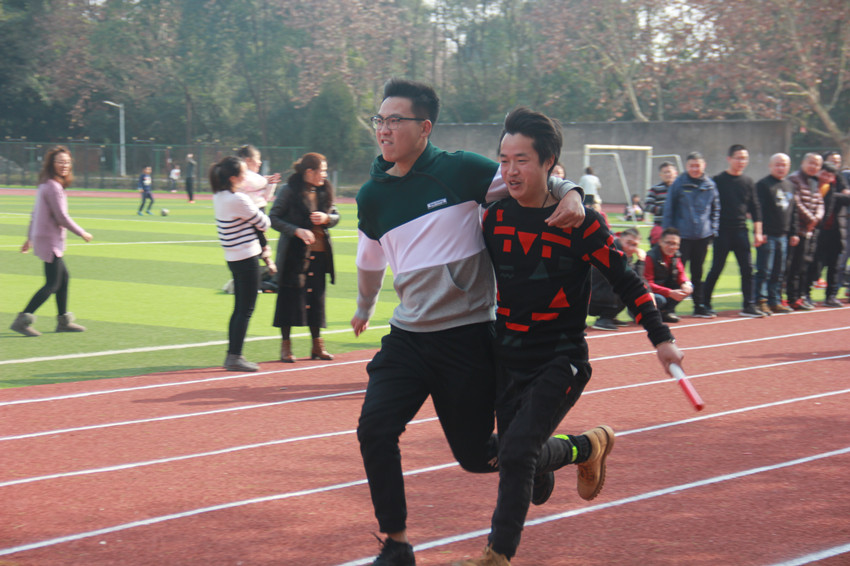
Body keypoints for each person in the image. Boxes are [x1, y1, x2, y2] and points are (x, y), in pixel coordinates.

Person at [351, 78, 585, 566]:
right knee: (374, 429)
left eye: (395, 120)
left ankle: (557, 453)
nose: (384, 129)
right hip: (408, 338)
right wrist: (365, 305)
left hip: (467, 339)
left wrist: (572, 192)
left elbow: (527, 178)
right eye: (380, 120)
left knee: (478, 458)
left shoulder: (461, 170)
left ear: (424, 127)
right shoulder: (372, 195)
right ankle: (396, 544)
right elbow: (370, 259)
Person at [452, 107, 681, 566]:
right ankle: (586, 446)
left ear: (548, 162)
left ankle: (497, 555)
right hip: (506, 358)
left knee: (518, 453)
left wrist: (661, 338)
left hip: (561, 360)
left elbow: (627, 281)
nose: (510, 171)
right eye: (504, 160)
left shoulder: (581, 222)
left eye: (522, 160)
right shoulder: (493, 219)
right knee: (525, 471)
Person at [10, 146, 93, 337]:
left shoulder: (46, 185)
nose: (64, 165)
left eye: (67, 162)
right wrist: (82, 233)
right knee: (52, 284)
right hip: (49, 239)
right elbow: (61, 217)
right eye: (60, 162)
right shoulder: (53, 187)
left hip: (44, 237)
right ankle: (22, 320)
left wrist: (29, 237)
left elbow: (35, 213)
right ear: (52, 164)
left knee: (64, 278)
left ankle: (63, 321)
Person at [269, 152, 339, 362]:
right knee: (288, 300)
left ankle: (317, 346)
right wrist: (296, 231)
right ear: (309, 171)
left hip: (320, 254)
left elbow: (335, 215)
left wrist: (327, 218)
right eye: (322, 171)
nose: (324, 175)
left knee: (316, 300)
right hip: (293, 255)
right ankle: (286, 346)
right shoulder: (289, 190)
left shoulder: (325, 190)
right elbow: (273, 218)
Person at [210, 156, 271, 372]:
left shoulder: (219, 196)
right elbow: (264, 223)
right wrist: (255, 202)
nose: (247, 177)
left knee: (239, 308)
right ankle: (234, 356)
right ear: (234, 178)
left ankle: (233, 354)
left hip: (233, 257)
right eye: (243, 173)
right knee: (245, 309)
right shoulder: (239, 199)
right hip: (247, 257)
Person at [702, 144, 765, 318]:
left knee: (747, 269)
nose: (741, 161)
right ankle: (704, 303)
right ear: (729, 159)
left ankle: (749, 305)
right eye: (738, 158)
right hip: (722, 232)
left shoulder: (748, 182)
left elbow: (756, 207)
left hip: (741, 231)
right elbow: (709, 207)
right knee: (716, 268)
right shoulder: (718, 180)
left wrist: (758, 232)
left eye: (744, 158)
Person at [662, 152, 719, 318]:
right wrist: (668, 234)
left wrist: (713, 230)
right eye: (691, 166)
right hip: (682, 237)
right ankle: (669, 307)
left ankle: (699, 306)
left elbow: (716, 209)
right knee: (675, 273)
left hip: (702, 235)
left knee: (698, 272)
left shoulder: (710, 185)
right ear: (686, 166)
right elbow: (669, 208)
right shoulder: (679, 183)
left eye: (697, 165)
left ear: (704, 165)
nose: (695, 169)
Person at [754, 153, 796, 314]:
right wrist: (760, 231)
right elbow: (758, 210)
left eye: (784, 165)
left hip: (783, 236)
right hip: (768, 235)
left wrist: (793, 232)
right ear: (770, 166)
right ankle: (760, 300)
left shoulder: (790, 185)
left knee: (779, 271)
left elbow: (793, 211)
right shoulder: (763, 185)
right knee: (765, 270)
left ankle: (775, 301)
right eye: (777, 164)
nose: (780, 168)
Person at [786, 153, 825, 310]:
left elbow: (820, 202)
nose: (813, 166)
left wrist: (817, 218)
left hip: (809, 230)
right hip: (796, 229)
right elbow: (796, 202)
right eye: (811, 162)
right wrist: (811, 218)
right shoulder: (794, 179)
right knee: (792, 266)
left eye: (817, 164)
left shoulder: (815, 181)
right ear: (803, 162)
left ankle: (799, 297)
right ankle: (789, 298)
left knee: (802, 265)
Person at [236, 144, 281, 276]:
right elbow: (254, 182)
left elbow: (266, 197)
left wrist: (271, 184)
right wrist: (266, 181)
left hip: (259, 210)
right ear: (248, 160)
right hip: (249, 214)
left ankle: (265, 262)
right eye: (258, 159)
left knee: (259, 237)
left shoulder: (257, 178)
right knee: (258, 237)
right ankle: (267, 260)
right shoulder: (243, 175)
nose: (260, 162)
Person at [589, 227, 646, 330]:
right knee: (627, 289)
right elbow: (631, 279)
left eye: (634, 245)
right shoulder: (613, 252)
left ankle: (610, 316)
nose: (631, 248)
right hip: (590, 298)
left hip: (598, 294)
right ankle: (605, 318)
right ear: (620, 239)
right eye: (628, 243)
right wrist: (641, 261)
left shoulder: (623, 253)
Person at [813, 162, 850, 307]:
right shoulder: (812, 185)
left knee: (834, 265)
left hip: (836, 232)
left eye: (829, 175)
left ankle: (831, 296)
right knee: (814, 265)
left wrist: (836, 195)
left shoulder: (836, 187)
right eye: (824, 174)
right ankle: (804, 295)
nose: (826, 177)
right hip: (817, 232)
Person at [644, 227, 694, 323]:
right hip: (648, 294)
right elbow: (647, 284)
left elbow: (681, 273)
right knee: (660, 299)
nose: (672, 247)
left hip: (663, 290)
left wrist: (685, 284)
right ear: (660, 242)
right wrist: (669, 292)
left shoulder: (675, 256)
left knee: (688, 287)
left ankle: (666, 312)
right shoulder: (650, 257)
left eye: (675, 244)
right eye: (668, 243)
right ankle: (645, 315)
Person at [645, 161, 678, 244]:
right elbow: (648, 206)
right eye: (665, 172)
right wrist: (663, 209)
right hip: (660, 226)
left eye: (669, 172)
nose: (667, 174)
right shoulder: (655, 189)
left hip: (678, 227)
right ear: (660, 175)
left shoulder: (681, 189)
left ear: (675, 173)